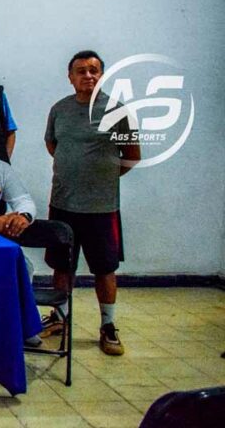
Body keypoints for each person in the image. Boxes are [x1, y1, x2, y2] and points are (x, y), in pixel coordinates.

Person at [43, 50, 140, 356]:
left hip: (101, 208)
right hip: (63, 204)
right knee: (61, 265)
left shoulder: (118, 111)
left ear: (102, 75)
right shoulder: (59, 109)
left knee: (105, 268)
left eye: (93, 70)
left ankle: (108, 326)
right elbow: (53, 144)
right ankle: (60, 317)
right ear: (70, 77)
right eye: (81, 71)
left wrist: (101, 178)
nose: (88, 76)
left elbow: (132, 157)